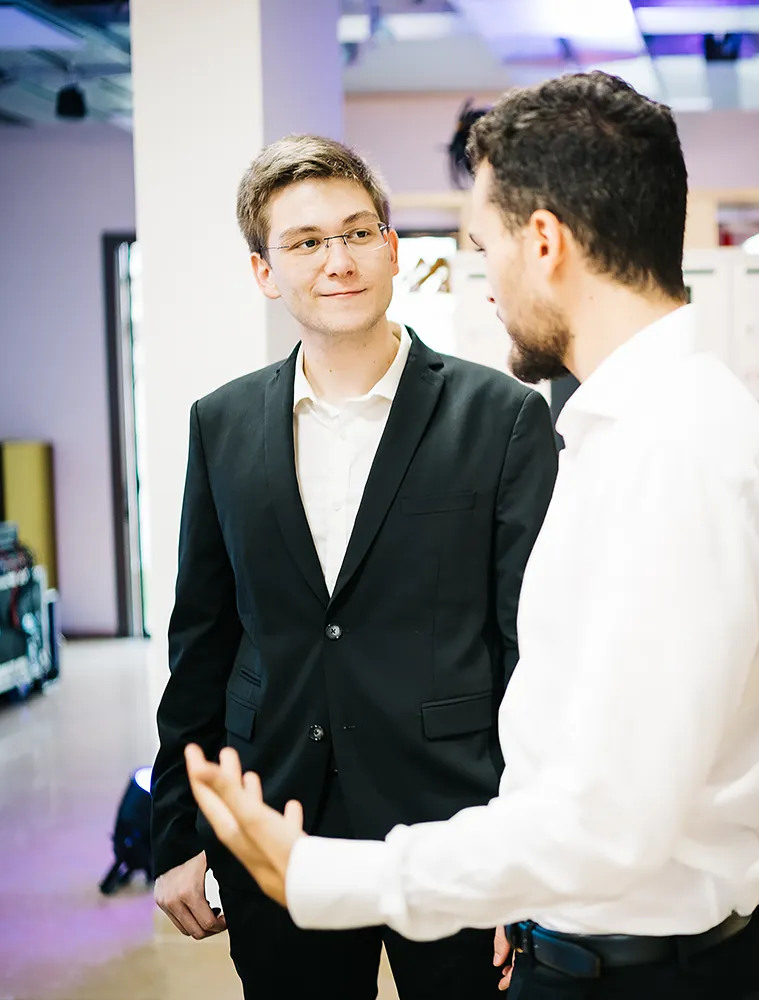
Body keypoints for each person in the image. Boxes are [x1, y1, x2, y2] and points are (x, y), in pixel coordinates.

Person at [184, 71, 759, 999]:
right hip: (585, 939)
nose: (484, 277)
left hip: (632, 961)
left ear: (541, 242)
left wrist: (325, 875)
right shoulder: (624, 432)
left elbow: (612, 821)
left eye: (483, 242)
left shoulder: (669, 453)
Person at [151, 134, 559, 999]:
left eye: (357, 233)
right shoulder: (219, 425)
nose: (338, 261)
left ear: (392, 249)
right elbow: (203, 641)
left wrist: (525, 864)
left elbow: (536, 652)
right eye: (304, 243)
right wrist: (180, 830)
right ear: (265, 272)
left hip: (457, 822)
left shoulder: (502, 418)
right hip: (279, 816)